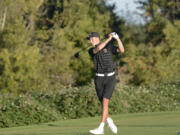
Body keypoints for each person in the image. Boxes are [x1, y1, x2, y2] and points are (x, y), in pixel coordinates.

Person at [87, 32, 124, 134]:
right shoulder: (91, 50)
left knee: (105, 102)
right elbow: (98, 49)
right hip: (99, 79)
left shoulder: (109, 46)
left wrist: (117, 39)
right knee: (103, 104)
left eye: (92, 39)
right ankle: (109, 120)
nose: (91, 41)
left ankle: (101, 128)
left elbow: (122, 50)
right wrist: (109, 38)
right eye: (90, 39)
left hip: (110, 78)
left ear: (98, 38)